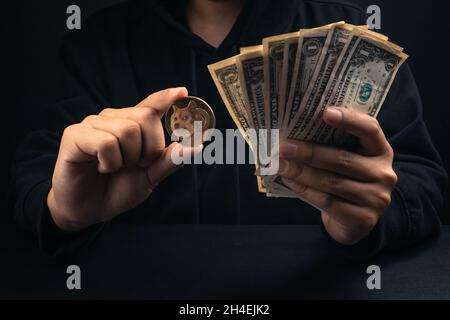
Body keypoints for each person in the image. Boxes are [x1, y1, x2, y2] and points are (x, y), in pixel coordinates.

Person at [10, 0, 447, 259]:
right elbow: (34, 176)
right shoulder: (97, 43)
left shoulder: (353, 37)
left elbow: (422, 179)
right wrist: (62, 214)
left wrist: (372, 216)